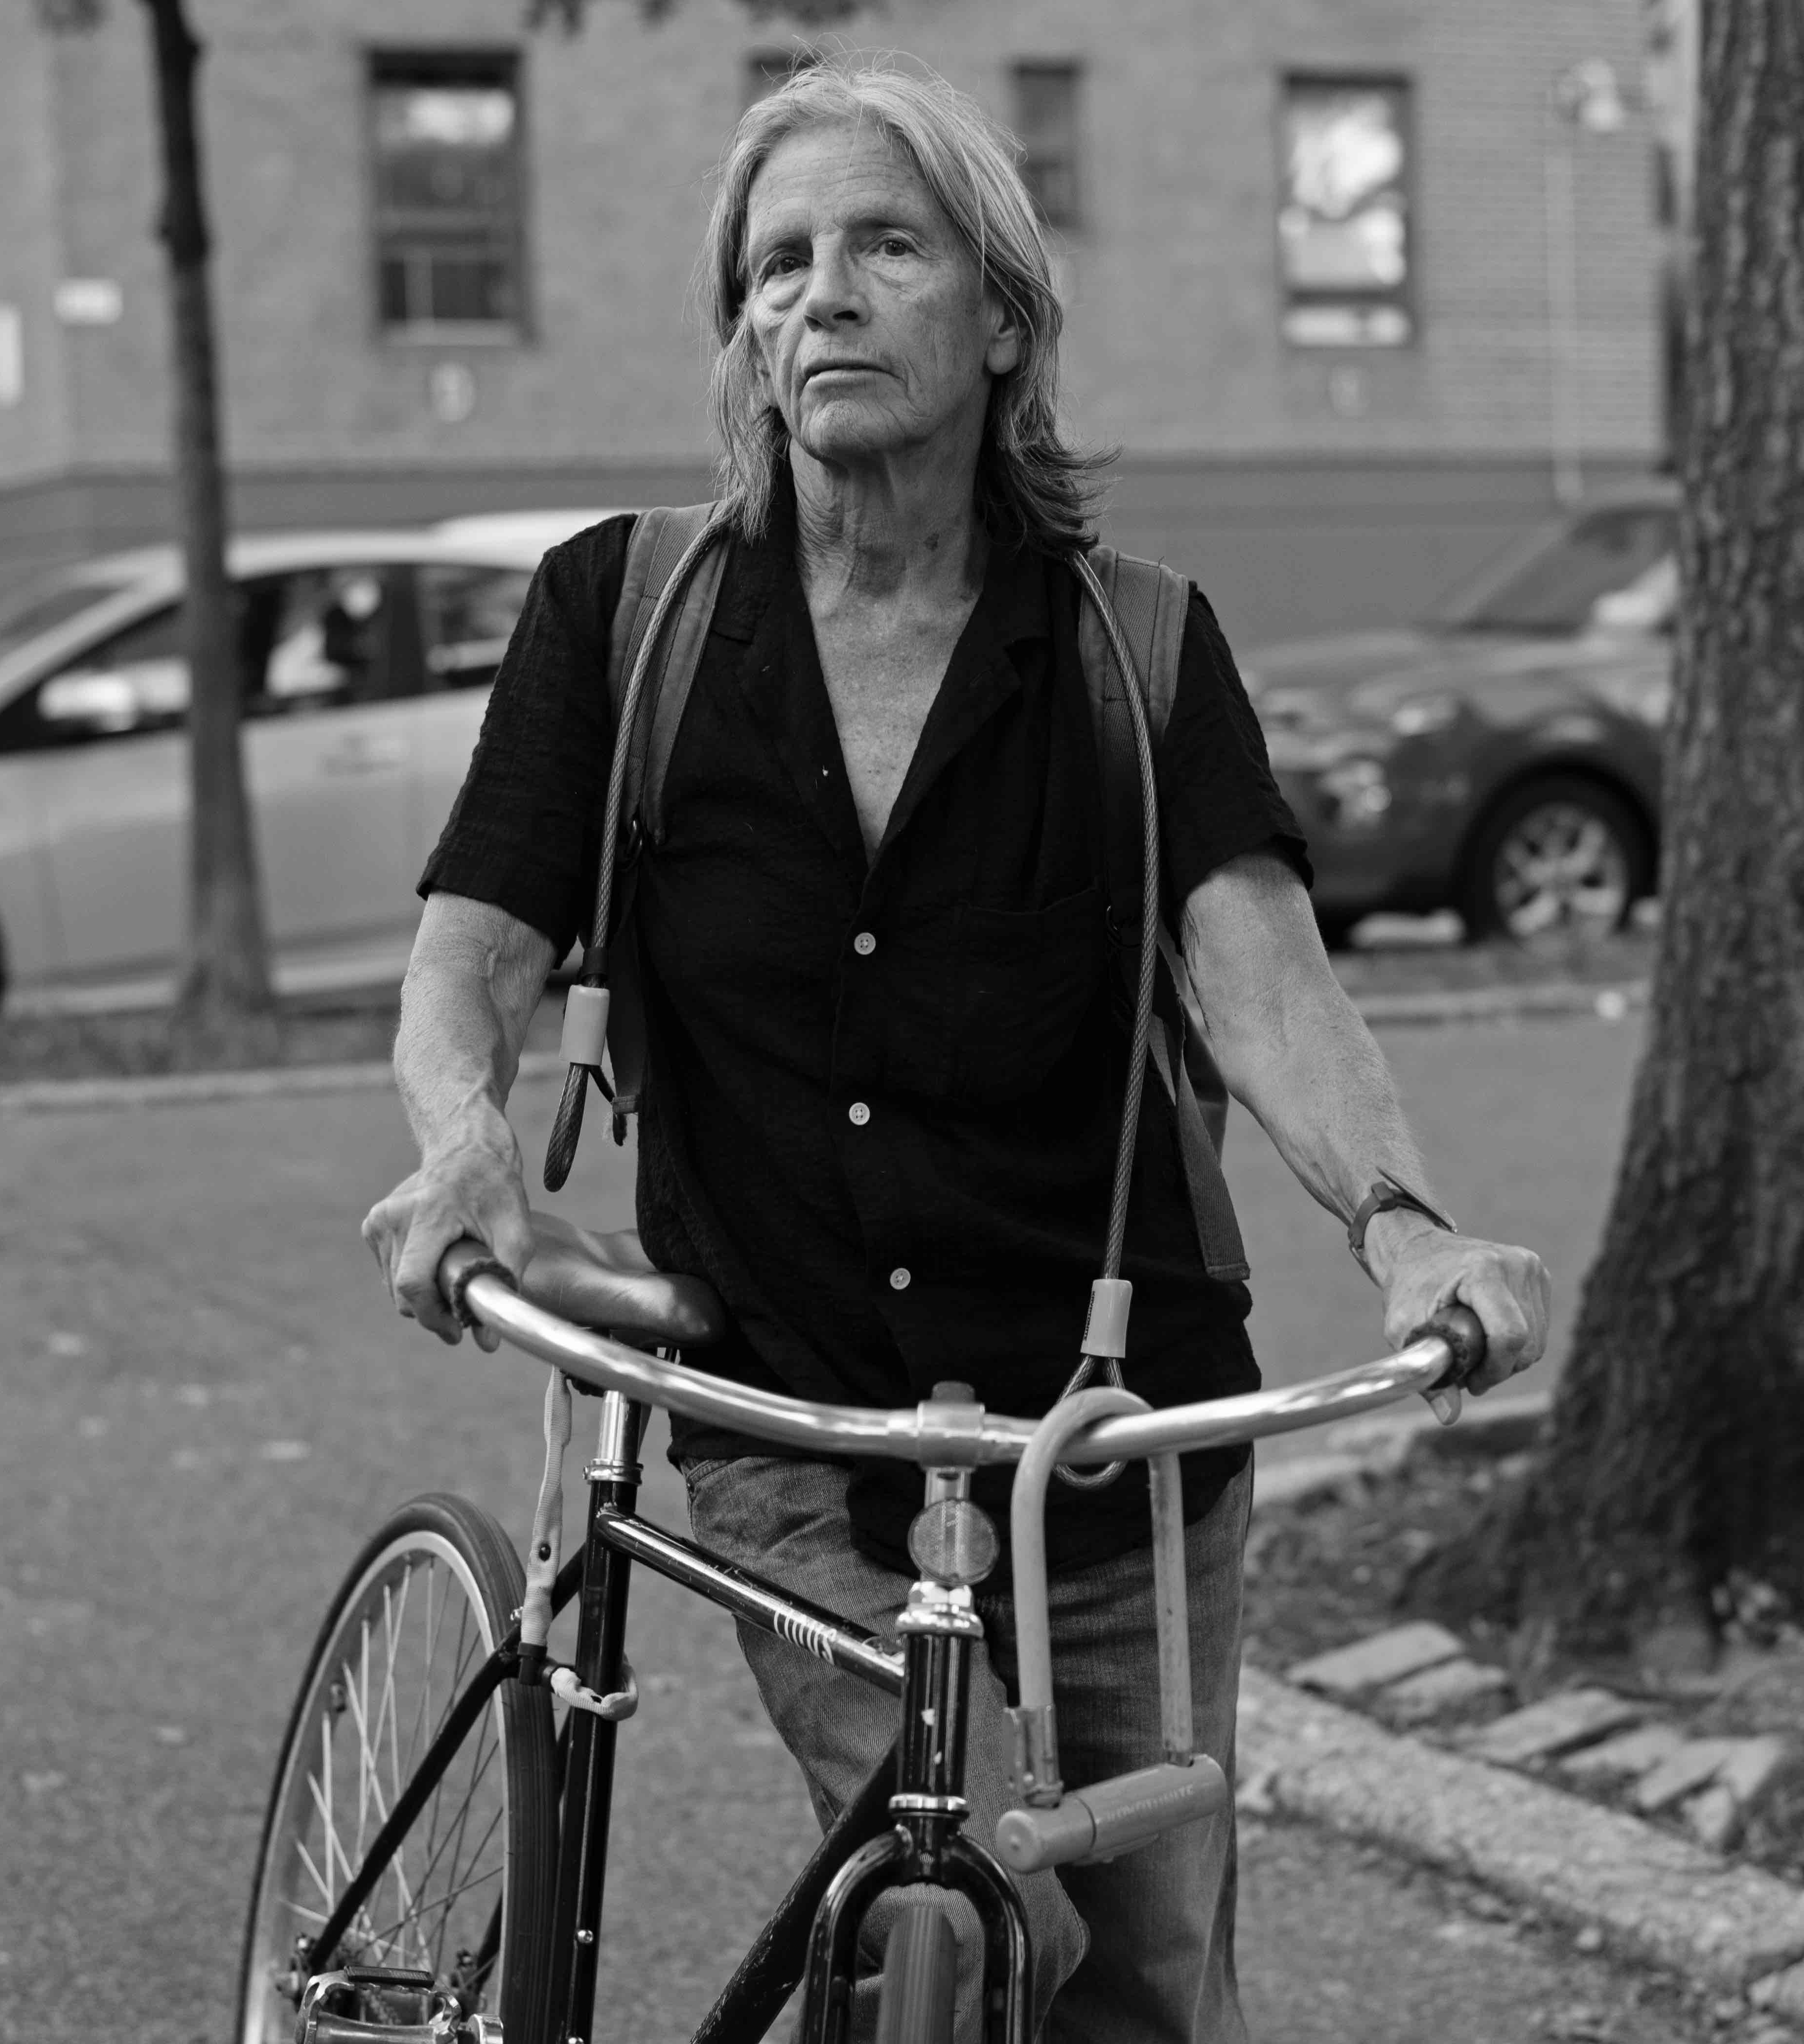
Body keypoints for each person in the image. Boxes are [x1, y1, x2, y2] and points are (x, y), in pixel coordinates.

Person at [363, 58, 1550, 2043]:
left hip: (1114, 1444)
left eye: (882, 250)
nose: (815, 299)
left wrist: (1407, 1226)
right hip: (794, 1427)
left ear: (1000, 317)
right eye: (775, 268)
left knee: (1151, 1992)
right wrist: (467, 1144)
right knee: (985, 1907)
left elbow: (1265, 985)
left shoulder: (1135, 649)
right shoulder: (625, 618)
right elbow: (474, 952)